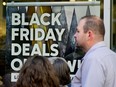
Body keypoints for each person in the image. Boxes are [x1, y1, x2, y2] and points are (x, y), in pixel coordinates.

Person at [71, 15, 116, 87]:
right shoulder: (112, 56)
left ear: (89, 34)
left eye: (78, 31)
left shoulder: (94, 59)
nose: (75, 35)